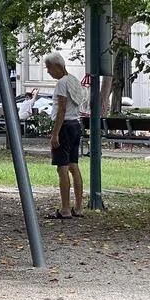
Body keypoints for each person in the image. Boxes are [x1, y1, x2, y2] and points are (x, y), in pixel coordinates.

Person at [46, 52, 86, 219]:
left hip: (65, 127)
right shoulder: (74, 81)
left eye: (49, 68)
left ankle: (65, 208)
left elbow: (61, 109)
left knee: (62, 168)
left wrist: (55, 134)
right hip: (76, 125)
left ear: (57, 66)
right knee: (73, 166)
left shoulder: (62, 83)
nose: (48, 72)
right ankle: (78, 207)